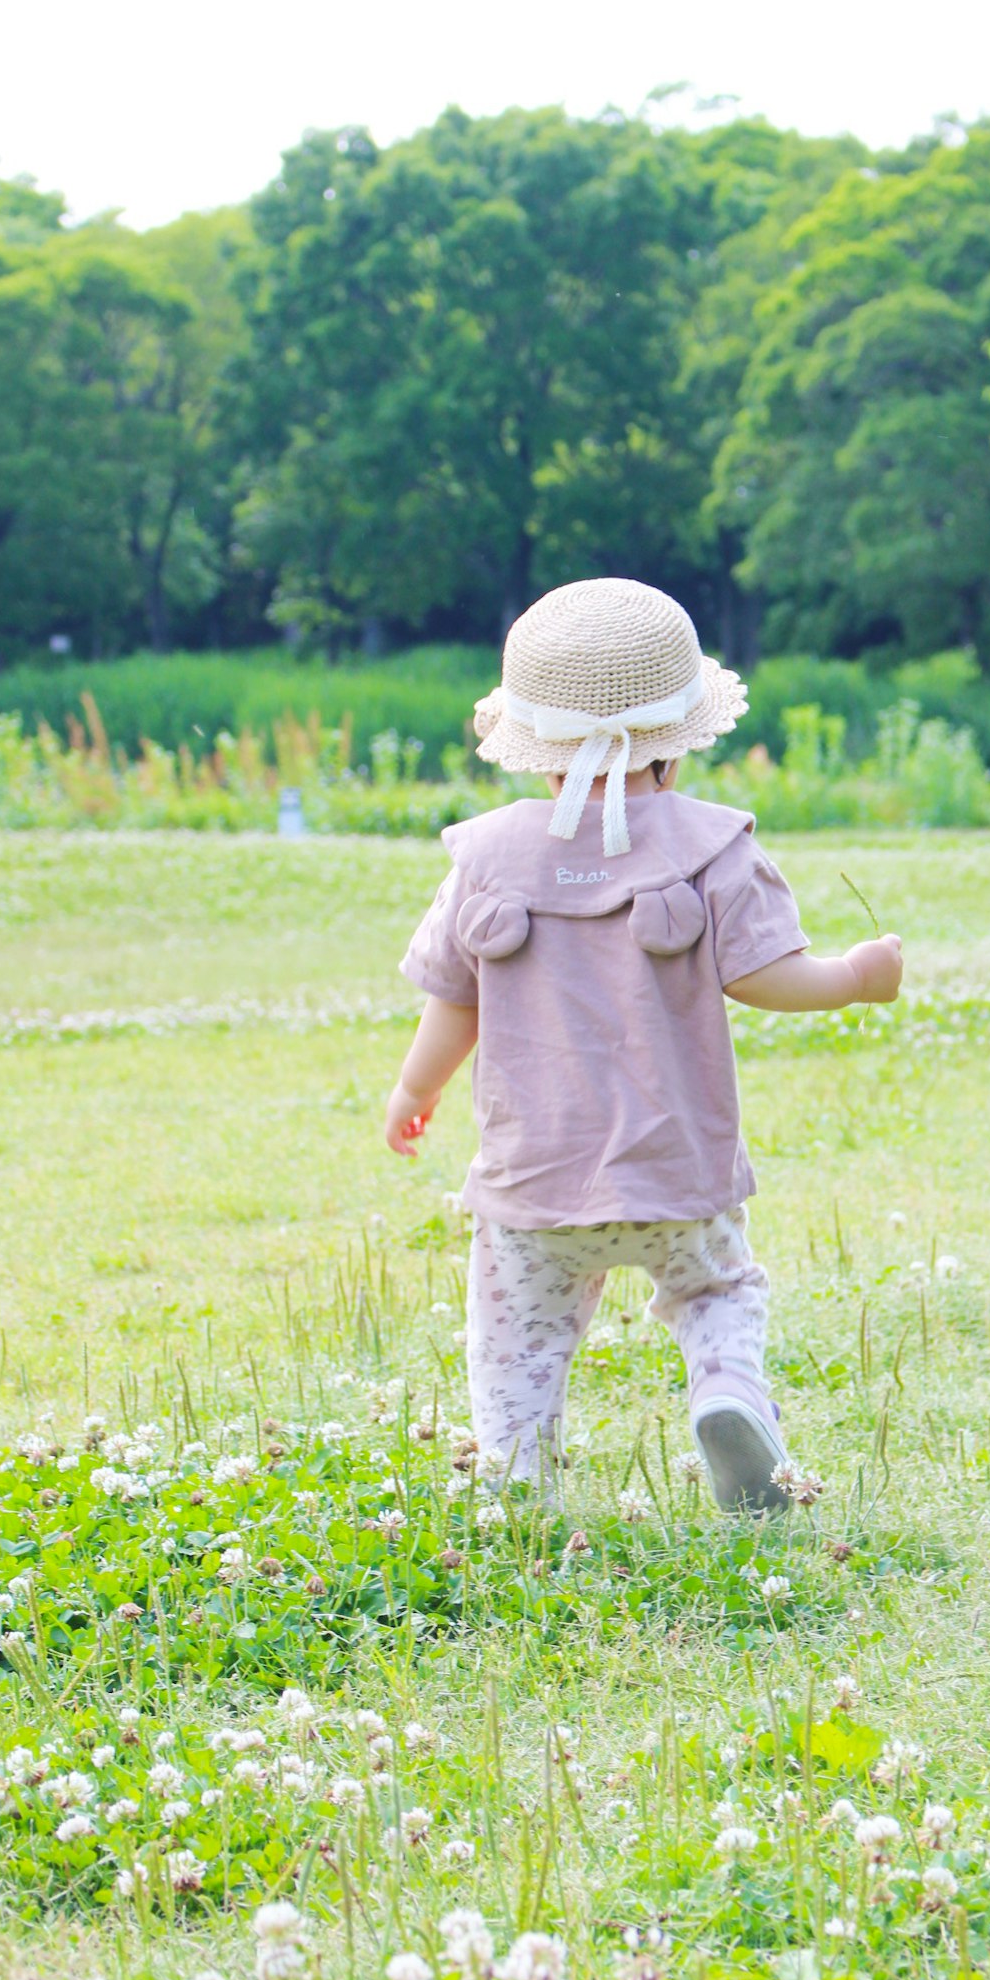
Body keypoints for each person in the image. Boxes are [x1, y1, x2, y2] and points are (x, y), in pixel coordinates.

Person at [385, 578, 903, 1512]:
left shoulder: (487, 858)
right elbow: (768, 975)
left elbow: (452, 1004)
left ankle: (515, 1481)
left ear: (537, 750)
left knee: (517, 1341)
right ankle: (727, 1396)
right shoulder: (711, 846)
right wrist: (857, 977)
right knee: (719, 1293)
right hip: (675, 1170)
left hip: (532, 1185)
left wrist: (412, 1093)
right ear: (674, 746)